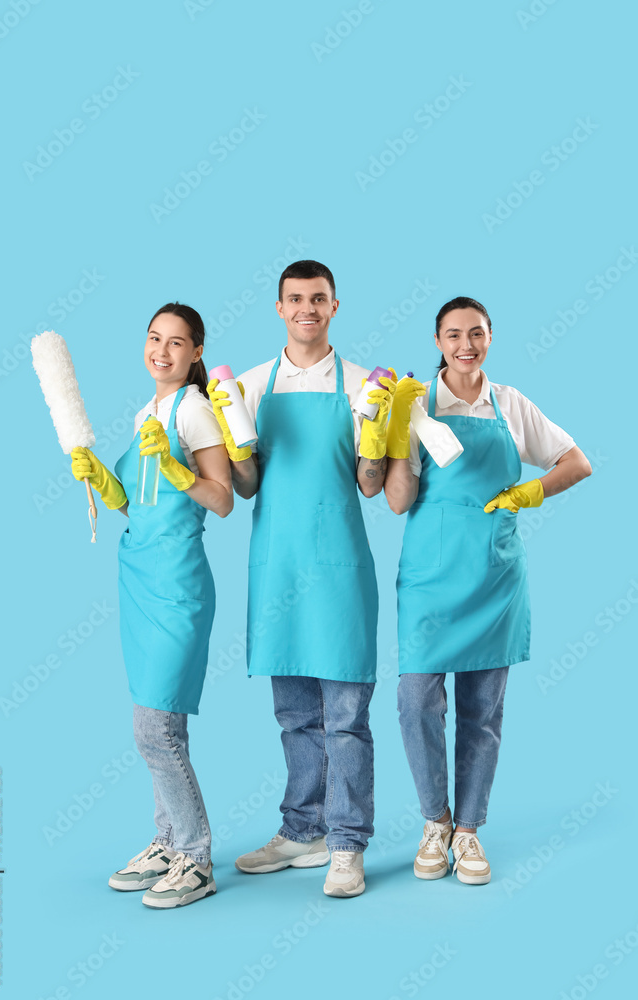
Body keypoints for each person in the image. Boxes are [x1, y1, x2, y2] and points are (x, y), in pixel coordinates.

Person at [384, 296, 592, 885]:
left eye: (476, 333)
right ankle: (436, 821)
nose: (465, 345)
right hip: (428, 578)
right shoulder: (416, 405)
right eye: (453, 335)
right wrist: (396, 432)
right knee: (415, 702)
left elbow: (577, 462)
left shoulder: (511, 404)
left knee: (482, 712)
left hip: (493, 576)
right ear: (438, 342)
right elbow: (397, 501)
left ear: (490, 337)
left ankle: (469, 830)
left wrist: (532, 492)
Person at [208, 260, 395, 897]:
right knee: (294, 715)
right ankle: (302, 830)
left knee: (346, 717)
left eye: (318, 298)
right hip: (279, 566)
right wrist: (236, 447)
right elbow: (246, 485)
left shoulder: (363, 384)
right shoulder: (250, 385)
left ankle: (346, 845)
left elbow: (371, 487)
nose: (307, 308)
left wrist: (375, 437)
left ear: (334, 306)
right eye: (295, 299)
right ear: (280, 307)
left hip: (340, 568)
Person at [70, 302, 232, 908]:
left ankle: (196, 857)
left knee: (156, 729)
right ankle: (167, 842)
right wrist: (102, 479)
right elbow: (134, 505)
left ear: (196, 352)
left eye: (176, 342)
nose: (162, 351)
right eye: (154, 338)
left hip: (177, 582)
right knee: (156, 720)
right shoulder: (148, 412)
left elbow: (223, 499)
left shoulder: (194, 410)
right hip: (137, 579)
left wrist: (180, 470)